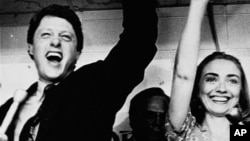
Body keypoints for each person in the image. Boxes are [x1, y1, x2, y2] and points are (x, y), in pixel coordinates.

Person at [0, 0, 158, 140]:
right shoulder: (7, 111)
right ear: (31, 48)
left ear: (77, 52)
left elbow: (139, 39)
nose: (55, 41)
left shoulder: (94, 87)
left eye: (66, 37)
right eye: (46, 34)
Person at [166, 0, 250, 141]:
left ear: (240, 91)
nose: (222, 88)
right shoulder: (184, 131)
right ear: (197, 88)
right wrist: (198, 4)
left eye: (232, 81)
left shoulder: (242, 132)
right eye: (211, 79)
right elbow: (183, 76)